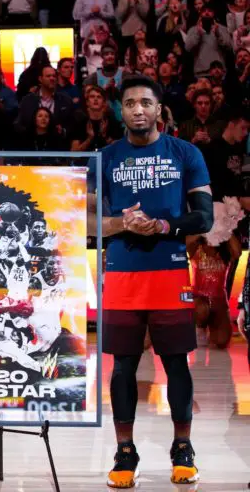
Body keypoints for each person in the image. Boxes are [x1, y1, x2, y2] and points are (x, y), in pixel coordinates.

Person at [88, 75, 212, 489]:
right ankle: (125, 452)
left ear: (159, 109)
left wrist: (161, 225)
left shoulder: (186, 153)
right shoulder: (104, 158)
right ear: (120, 111)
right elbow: (85, 220)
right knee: (122, 365)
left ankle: (183, 448)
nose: (138, 109)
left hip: (170, 270)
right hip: (122, 273)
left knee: (176, 362)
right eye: (129, 103)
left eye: (145, 102)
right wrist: (120, 223)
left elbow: (204, 217)